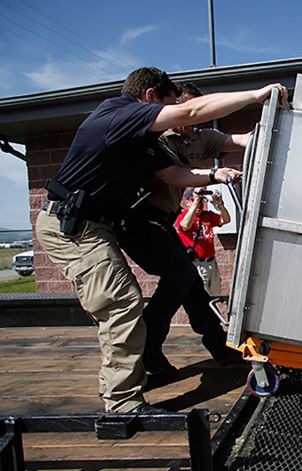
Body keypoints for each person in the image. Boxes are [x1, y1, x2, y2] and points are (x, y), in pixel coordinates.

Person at [36, 66, 287, 414]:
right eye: (168, 106)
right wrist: (257, 95)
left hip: (96, 224)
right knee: (121, 301)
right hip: (74, 224)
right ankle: (123, 401)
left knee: (176, 281)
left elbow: (175, 174)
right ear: (150, 97)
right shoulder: (119, 115)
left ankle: (158, 360)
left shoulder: (143, 142)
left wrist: (215, 174)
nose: (174, 118)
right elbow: (191, 111)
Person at [116, 81, 250, 385]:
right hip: (138, 219)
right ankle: (148, 351)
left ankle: (220, 347)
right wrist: (215, 174)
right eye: (187, 117)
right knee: (181, 277)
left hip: (162, 221)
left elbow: (236, 139)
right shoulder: (156, 139)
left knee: (188, 282)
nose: (194, 125)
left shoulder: (194, 137)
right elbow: (175, 173)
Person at [175, 188, 229, 295]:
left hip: (211, 263)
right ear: (186, 202)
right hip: (196, 263)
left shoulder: (207, 216)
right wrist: (195, 203)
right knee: (201, 297)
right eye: (194, 200)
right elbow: (185, 226)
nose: (199, 204)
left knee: (215, 295)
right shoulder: (183, 217)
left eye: (201, 201)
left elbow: (225, 220)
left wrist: (220, 205)